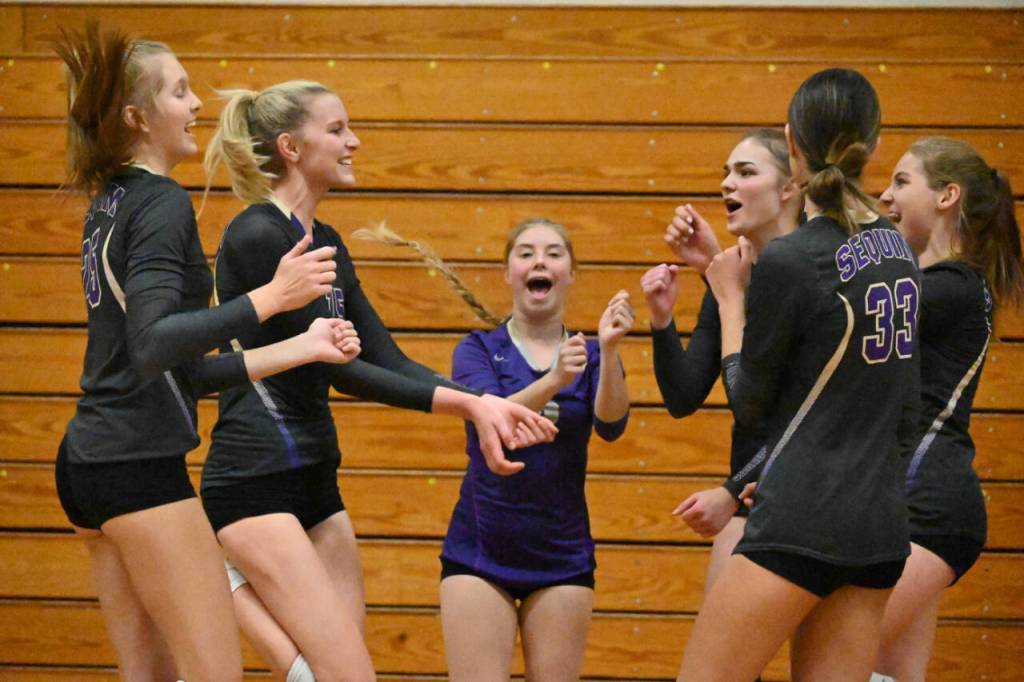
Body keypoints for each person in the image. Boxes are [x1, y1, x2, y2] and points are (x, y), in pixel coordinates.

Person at [200, 80, 557, 682]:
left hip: (316, 476)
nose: (354, 141)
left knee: (328, 673)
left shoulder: (330, 244)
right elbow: (340, 371)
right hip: (254, 478)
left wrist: (483, 400)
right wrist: (468, 409)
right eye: (337, 130)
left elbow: (385, 356)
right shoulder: (257, 234)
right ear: (290, 146)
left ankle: (236, 581)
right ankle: (229, 577)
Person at [53, 25, 358, 682]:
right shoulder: (160, 201)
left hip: (88, 464)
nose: (197, 106)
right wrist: (270, 300)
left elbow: (180, 370)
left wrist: (297, 347)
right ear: (137, 117)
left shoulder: (109, 202)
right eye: (180, 92)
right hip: (138, 465)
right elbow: (155, 341)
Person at [677, 68, 920, 681]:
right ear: (873, 143)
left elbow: (748, 404)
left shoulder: (791, 258)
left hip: (803, 521)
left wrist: (730, 298)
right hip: (880, 529)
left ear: (792, 142)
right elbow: (899, 409)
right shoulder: (899, 251)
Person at [406, 217, 631, 682]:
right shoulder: (478, 349)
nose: (539, 261)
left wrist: (607, 352)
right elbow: (496, 418)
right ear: (508, 273)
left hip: (562, 555)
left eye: (553, 252)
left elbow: (612, 426)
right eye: (525, 253)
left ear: (570, 272)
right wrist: (553, 382)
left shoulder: (586, 354)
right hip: (480, 553)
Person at [872, 137, 1024, 682]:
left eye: (901, 182)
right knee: (886, 676)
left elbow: (836, 314)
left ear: (947, 196)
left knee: (832, 658)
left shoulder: (951, 287)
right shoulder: (938, 286)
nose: (885, 195)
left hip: (926, 505)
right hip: (916, 503)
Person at [640, 129, 800, 593]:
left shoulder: (809, 272)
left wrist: (730, 491)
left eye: (746, 172)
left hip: (805, 496)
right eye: (725, 173)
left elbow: (795, 414)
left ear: (789, 187)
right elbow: (683, 396)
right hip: (753, 497)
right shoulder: (734, 269)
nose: (727, 183)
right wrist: (662, 319)